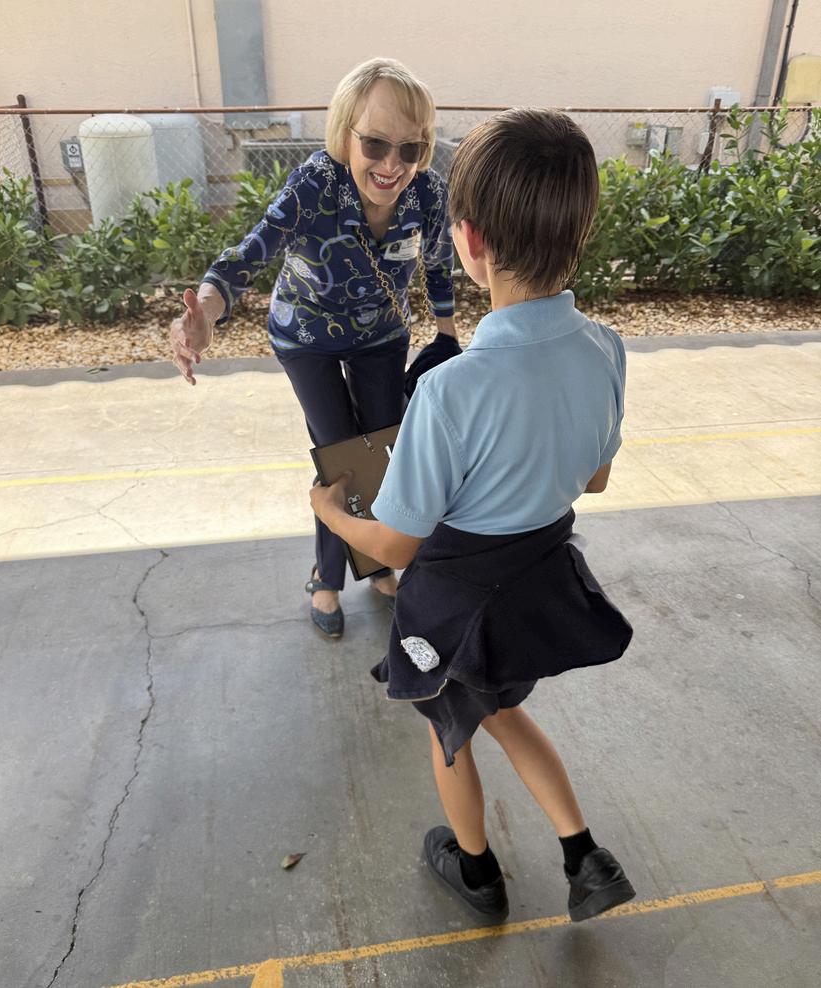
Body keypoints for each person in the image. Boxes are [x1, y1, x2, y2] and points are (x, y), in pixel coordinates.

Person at [310, 108, 636, 923]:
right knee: (500, 709)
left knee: (448, 731)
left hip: (454, 605)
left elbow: (396, 542)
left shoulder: (449, 390)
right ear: (579, 234)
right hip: (538, 585)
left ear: (469, 241)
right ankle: (583, 856)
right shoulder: (604, 347)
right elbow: (595, 478)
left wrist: (331, 515)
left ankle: (476, 869)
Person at [169, 58, 456, 638]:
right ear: (346, 132)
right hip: (306, 336)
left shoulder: (427, 191)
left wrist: (447, 332)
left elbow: (439, 262)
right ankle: (326, 575)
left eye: (412, 148)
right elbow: (245, 258)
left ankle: (374, 561)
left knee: (381, 449)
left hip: (380, 333)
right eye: (376, 144)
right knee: (339, 452)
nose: (393, 165)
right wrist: (206, 316)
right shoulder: (315, 184)